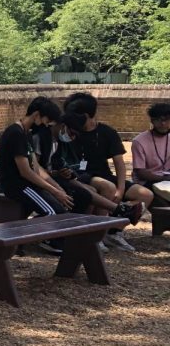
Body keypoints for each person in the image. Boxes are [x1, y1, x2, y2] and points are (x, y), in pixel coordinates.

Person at [64, 92, 153, 250]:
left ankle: (113, 232)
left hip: (104, 174)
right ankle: (97, 235)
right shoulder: (70, 132)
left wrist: (121, 189)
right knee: (106, 187)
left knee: (145, 195)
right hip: (82, 175)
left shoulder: (107, 132)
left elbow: (119, 162)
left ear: (86, 115)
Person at [0, 98, 75, 250]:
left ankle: (20, 238)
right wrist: (55, 191)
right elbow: (25, 171)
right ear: (37, 115)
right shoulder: (15, 133)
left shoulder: (26, 133)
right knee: (51, 213)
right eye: (47, 120)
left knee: (59, 209)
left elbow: (36, 167)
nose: (47, 124)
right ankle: (12, 235)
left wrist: (57, 187)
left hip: (27, 184)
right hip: (17, 185)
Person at [131, 102, 170, 205]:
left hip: (167, 181)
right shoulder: (139, 141)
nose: (163, 124)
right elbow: (141, 173)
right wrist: (163, 178)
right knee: (164, 206)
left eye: (167, 120)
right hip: (147, 183)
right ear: (152, 121)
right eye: (159, 120)